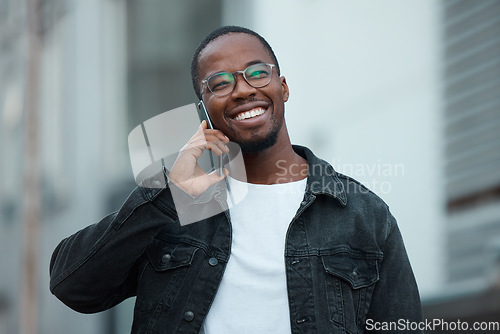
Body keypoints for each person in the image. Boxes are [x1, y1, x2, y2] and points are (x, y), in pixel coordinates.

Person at [49, 25, 423, 333]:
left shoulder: (363, 215)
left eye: (257, 73)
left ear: (284, 88)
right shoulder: (176, 208)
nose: (244, 90)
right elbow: (73, 287)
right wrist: (169, 195)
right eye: (220, 83)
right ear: (203, 112)